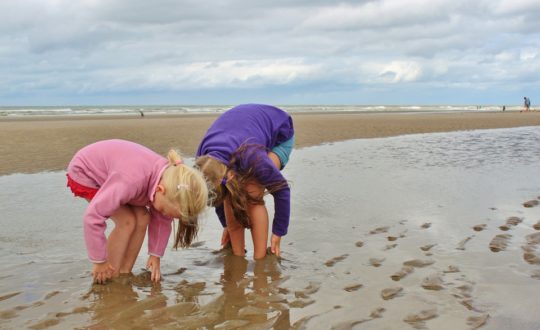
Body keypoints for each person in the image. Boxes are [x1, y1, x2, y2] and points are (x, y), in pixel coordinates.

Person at [67, 139, 208, 284]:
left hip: (121, 175)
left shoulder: (168, 183)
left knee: (142, 216)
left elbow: (162, 222)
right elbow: (93, 217)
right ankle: (108, 274)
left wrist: (155, 255)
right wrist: (99, 260)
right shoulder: (131, 181)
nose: (164, 215)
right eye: (164, 210)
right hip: (86, 172)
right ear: (160, 190)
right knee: (127, 221)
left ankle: (124, 271)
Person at [196, 104, 294, 259]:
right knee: (229, 196)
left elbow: (282, 191)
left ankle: (260, 258)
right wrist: (226, 225)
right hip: (245, 131)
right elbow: (217, 197)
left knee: (252, 191)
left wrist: (278, 232)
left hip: (279, 135)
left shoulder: (252, 156)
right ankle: (238, 255)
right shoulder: (203, 161)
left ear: (230, 175)